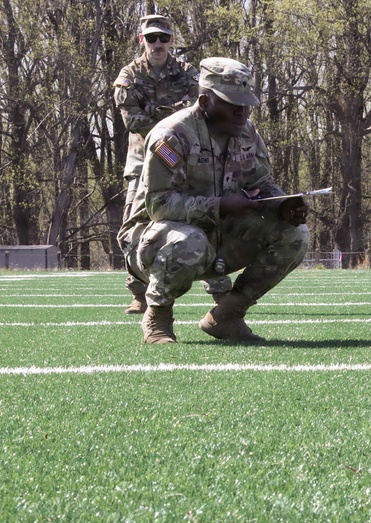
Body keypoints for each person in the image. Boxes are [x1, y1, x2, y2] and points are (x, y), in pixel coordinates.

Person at [118, 57, 310, 344]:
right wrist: (219, 205)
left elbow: (261, 182)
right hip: (155, 241)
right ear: (205, 102)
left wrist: (281, 204)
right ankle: (157, 317)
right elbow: (158, 206)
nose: (242, 112)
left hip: (219, 236)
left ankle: (227, 316)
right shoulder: (172, 135)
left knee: (295, 235)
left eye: (245, 104)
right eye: (233, 104)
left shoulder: (247, 133)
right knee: (188, 240)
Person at [114, 15, 227, 315]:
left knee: (205, 214)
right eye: (151, 38)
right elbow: (133, 121)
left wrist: (171, 122)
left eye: (164, 38)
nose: (158, 44)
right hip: (142, 162)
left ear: (171, 41)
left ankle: (219, 289)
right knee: (133, 225)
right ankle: (139, 291)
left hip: (185, 159)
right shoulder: (129, 75)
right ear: (142, 40)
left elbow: (200, 110)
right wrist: (173, 121)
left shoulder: (189, 74)